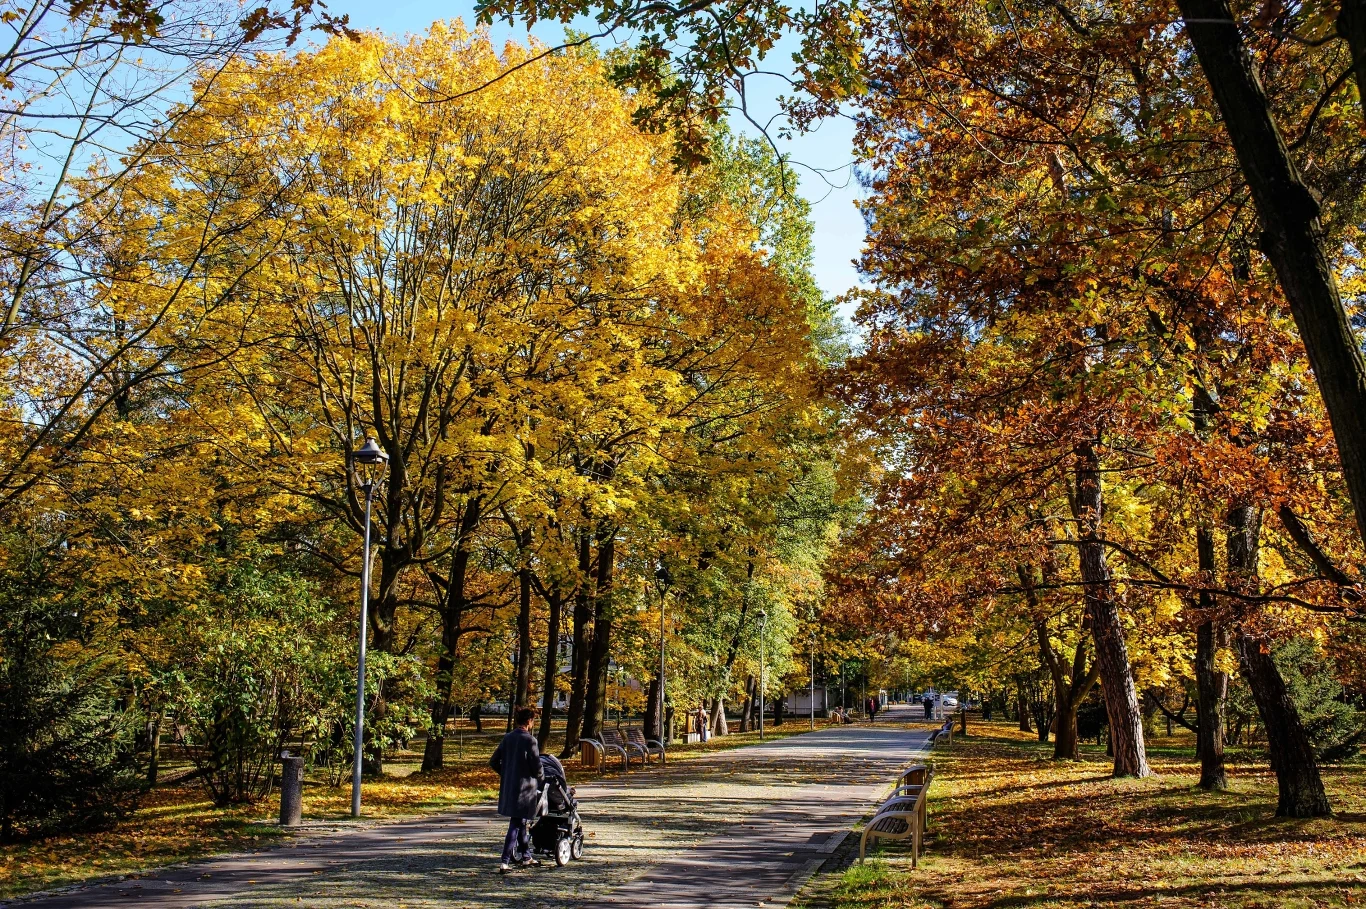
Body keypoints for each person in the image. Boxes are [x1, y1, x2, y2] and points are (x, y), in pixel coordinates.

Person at [490, 705, 544, 874]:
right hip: (525, 789)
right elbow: (537, 766)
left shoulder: (508, 738)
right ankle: (505, 861)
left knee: (520, 822)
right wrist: (541, 779)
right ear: (529, 721)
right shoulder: (530, 740)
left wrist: (507, 774)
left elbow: (493, 761)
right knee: (516, 823)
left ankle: (527, 856)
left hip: (510, 787)